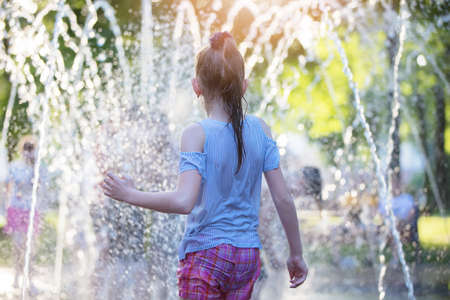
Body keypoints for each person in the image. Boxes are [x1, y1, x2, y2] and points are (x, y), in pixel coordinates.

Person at [101, 32, 308, 299]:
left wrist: (129, 195)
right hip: (247, 256)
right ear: (243, 86)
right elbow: (282, 197)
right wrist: (296, 254)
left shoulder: (196, 133)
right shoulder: (261, 130)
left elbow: (183, 201)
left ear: (196, 86)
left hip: (206, 255)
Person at [2, 135, 46, 296]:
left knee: (30, 247)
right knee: (18, 245)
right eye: (26, 149)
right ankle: (16, 277)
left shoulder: (39, 167)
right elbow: (7, 187)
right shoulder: (14, 166)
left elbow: (42, 188)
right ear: (21, 150)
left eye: (31, 149)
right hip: (16, 209)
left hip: (31, 211)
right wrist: (6, 209)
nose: (28, 152)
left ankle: (30, 281)